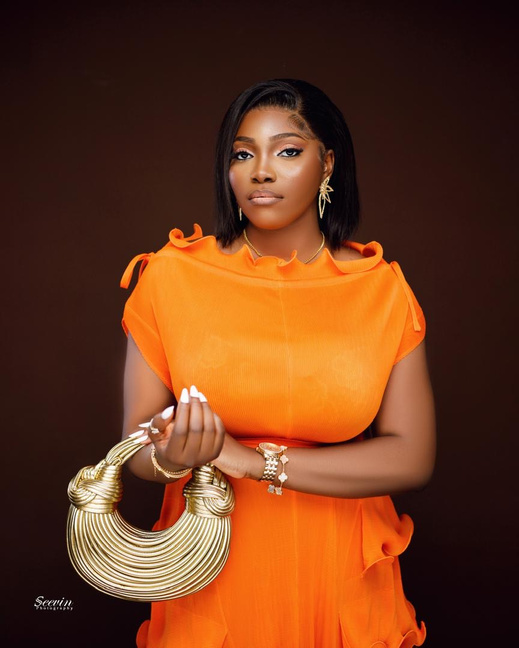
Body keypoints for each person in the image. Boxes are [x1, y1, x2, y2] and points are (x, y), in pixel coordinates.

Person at [120, 79, 436, 648]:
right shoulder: (171, 277)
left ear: (327, 164)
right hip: (212, 569)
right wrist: (169, 455)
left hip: (341, 571)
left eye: (287, 151)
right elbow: (136, 447)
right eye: (243, 154)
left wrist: (252, 462)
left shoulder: (381, 289)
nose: (260, 172)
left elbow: (411, 456)